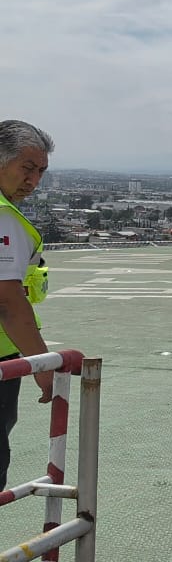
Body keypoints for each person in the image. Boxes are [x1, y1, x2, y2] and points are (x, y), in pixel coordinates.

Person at [0, 120, 55, 490]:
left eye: (41, 172)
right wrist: (42, 364)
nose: (33, 181)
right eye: (27, 168)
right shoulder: (3, 216)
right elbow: (7, 301)